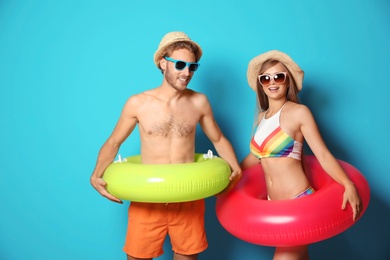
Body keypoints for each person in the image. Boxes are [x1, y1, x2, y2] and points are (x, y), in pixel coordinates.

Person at [89, 31, 241, 260]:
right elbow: (114, 142)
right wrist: (96, 175)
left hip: (188, 200)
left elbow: (218, 139)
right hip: (147, 201)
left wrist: (235, 167)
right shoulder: (138, 103)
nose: (186, 73)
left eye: (192, 67)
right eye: (180, 65)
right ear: (163, 63)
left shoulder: (199, 102)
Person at [241, 50, 362, 260]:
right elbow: (256, 157)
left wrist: (347, 184)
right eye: (265, 78)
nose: (272, 82)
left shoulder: (299, 112)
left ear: (288, 81)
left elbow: (322, 154)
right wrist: (231, 173)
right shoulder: (262, 117)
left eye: (279, 76)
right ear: (260, 84)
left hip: (297, 202)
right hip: (274, 205)